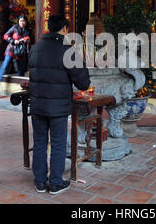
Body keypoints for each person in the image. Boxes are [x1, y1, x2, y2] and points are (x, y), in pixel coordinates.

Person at [29, 15, 90, 195]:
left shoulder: (35, 48)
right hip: (58, 108)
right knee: (57, 143)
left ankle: (40, 182)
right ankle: (55, 183)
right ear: (64, 29)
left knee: (40, 142)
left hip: (38, 105)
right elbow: (83, 83)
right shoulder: (68, 51)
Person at [0, 15, 31, 87]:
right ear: (18, 21)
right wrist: (13, 41)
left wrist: (28, 41)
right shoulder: (14, 28)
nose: (22, 22)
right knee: (5, 64)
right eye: (21, 21)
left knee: (21, 69)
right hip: (11, 48)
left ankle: (19, 86)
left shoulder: (27, 31)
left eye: (24, 21)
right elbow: (5, 36)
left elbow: (30, 41)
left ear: (26, 22)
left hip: (21, 51)